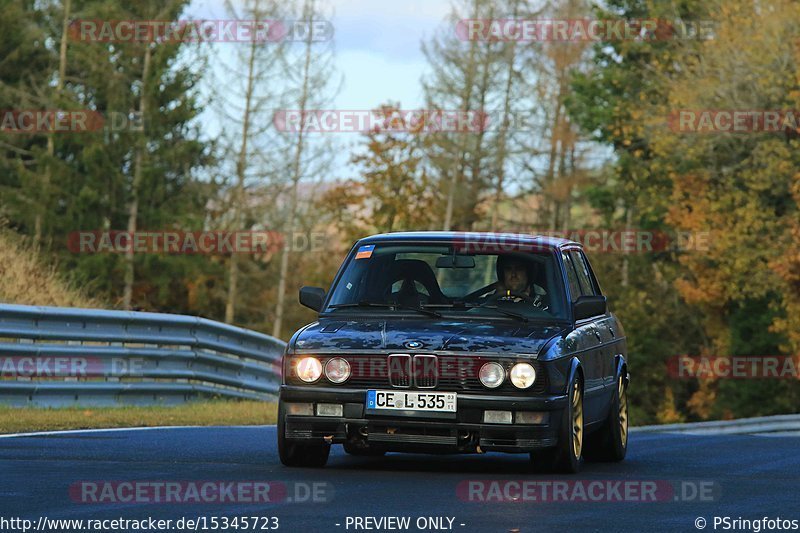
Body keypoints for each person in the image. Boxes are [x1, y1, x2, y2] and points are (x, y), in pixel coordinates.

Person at [482, 255, 548, 310]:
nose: (513, 275)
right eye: (508, 269)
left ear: (529, 273)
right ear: (502, 274)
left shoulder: (543, 306)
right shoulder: (487, 303)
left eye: (519, 269)